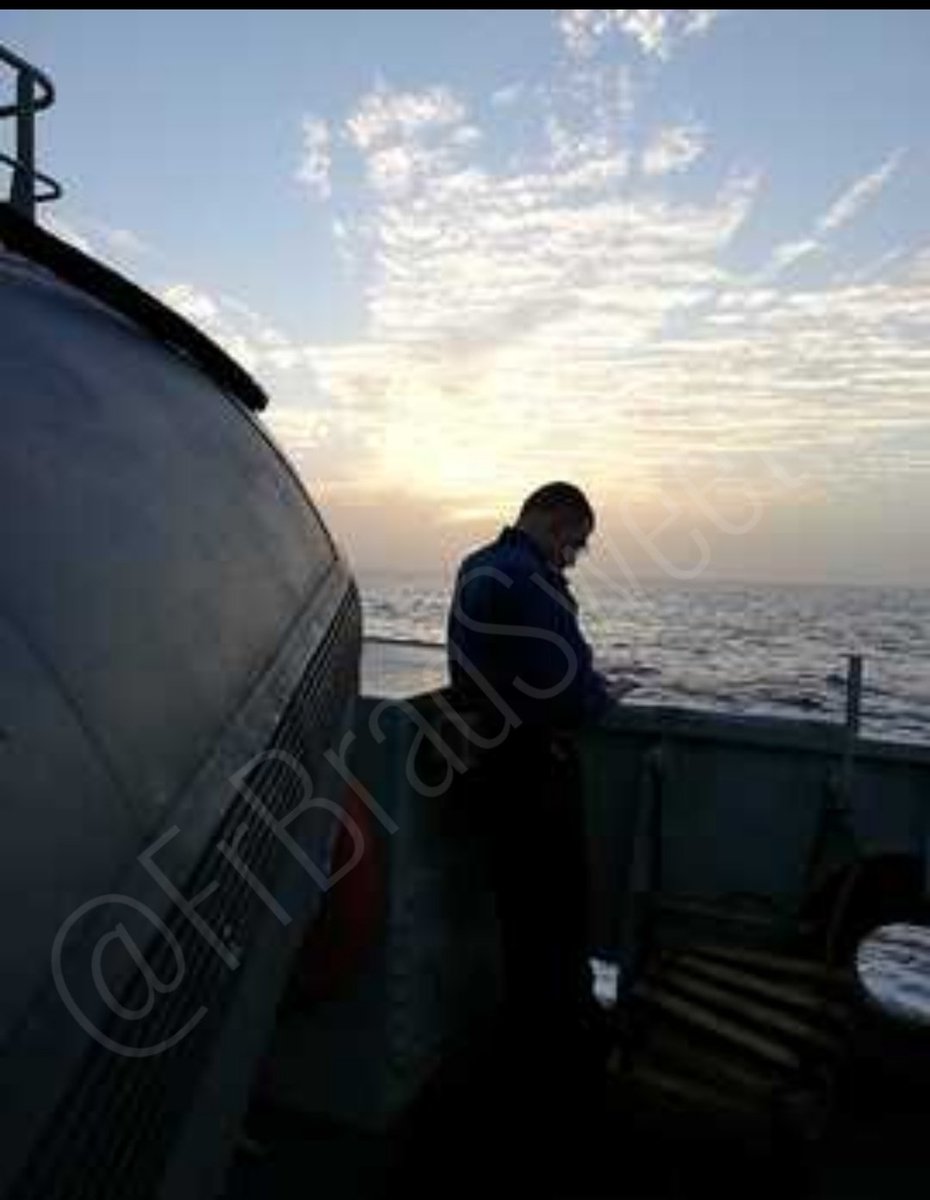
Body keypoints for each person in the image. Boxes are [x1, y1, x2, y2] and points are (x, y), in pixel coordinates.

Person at [445, 482, 616, 1119]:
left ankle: (522, 1047)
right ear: (551, 521)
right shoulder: (531, 579)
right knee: (559, 912)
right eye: (574, 543)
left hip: (488, 765)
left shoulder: (476, 566)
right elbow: (568, 690)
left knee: (518, 913)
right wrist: (606, 696)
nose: (572, 558)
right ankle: (559, 1061)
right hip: (536, 768)